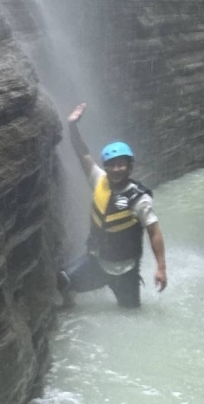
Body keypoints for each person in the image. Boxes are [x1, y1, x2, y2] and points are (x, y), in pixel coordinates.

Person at [57, 103, 167, 309]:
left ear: (130, 167)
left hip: (126, 270)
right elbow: (82, 153)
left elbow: (154, 232)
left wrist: (161, 268)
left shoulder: (139, 197)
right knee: (63, 280)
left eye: (121, 164)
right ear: (105, 167)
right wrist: (72, 125)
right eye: (111, 165)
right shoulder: (99, 180)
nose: (116, 169)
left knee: (131, 314)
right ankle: (69, 307)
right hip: (96, 263)